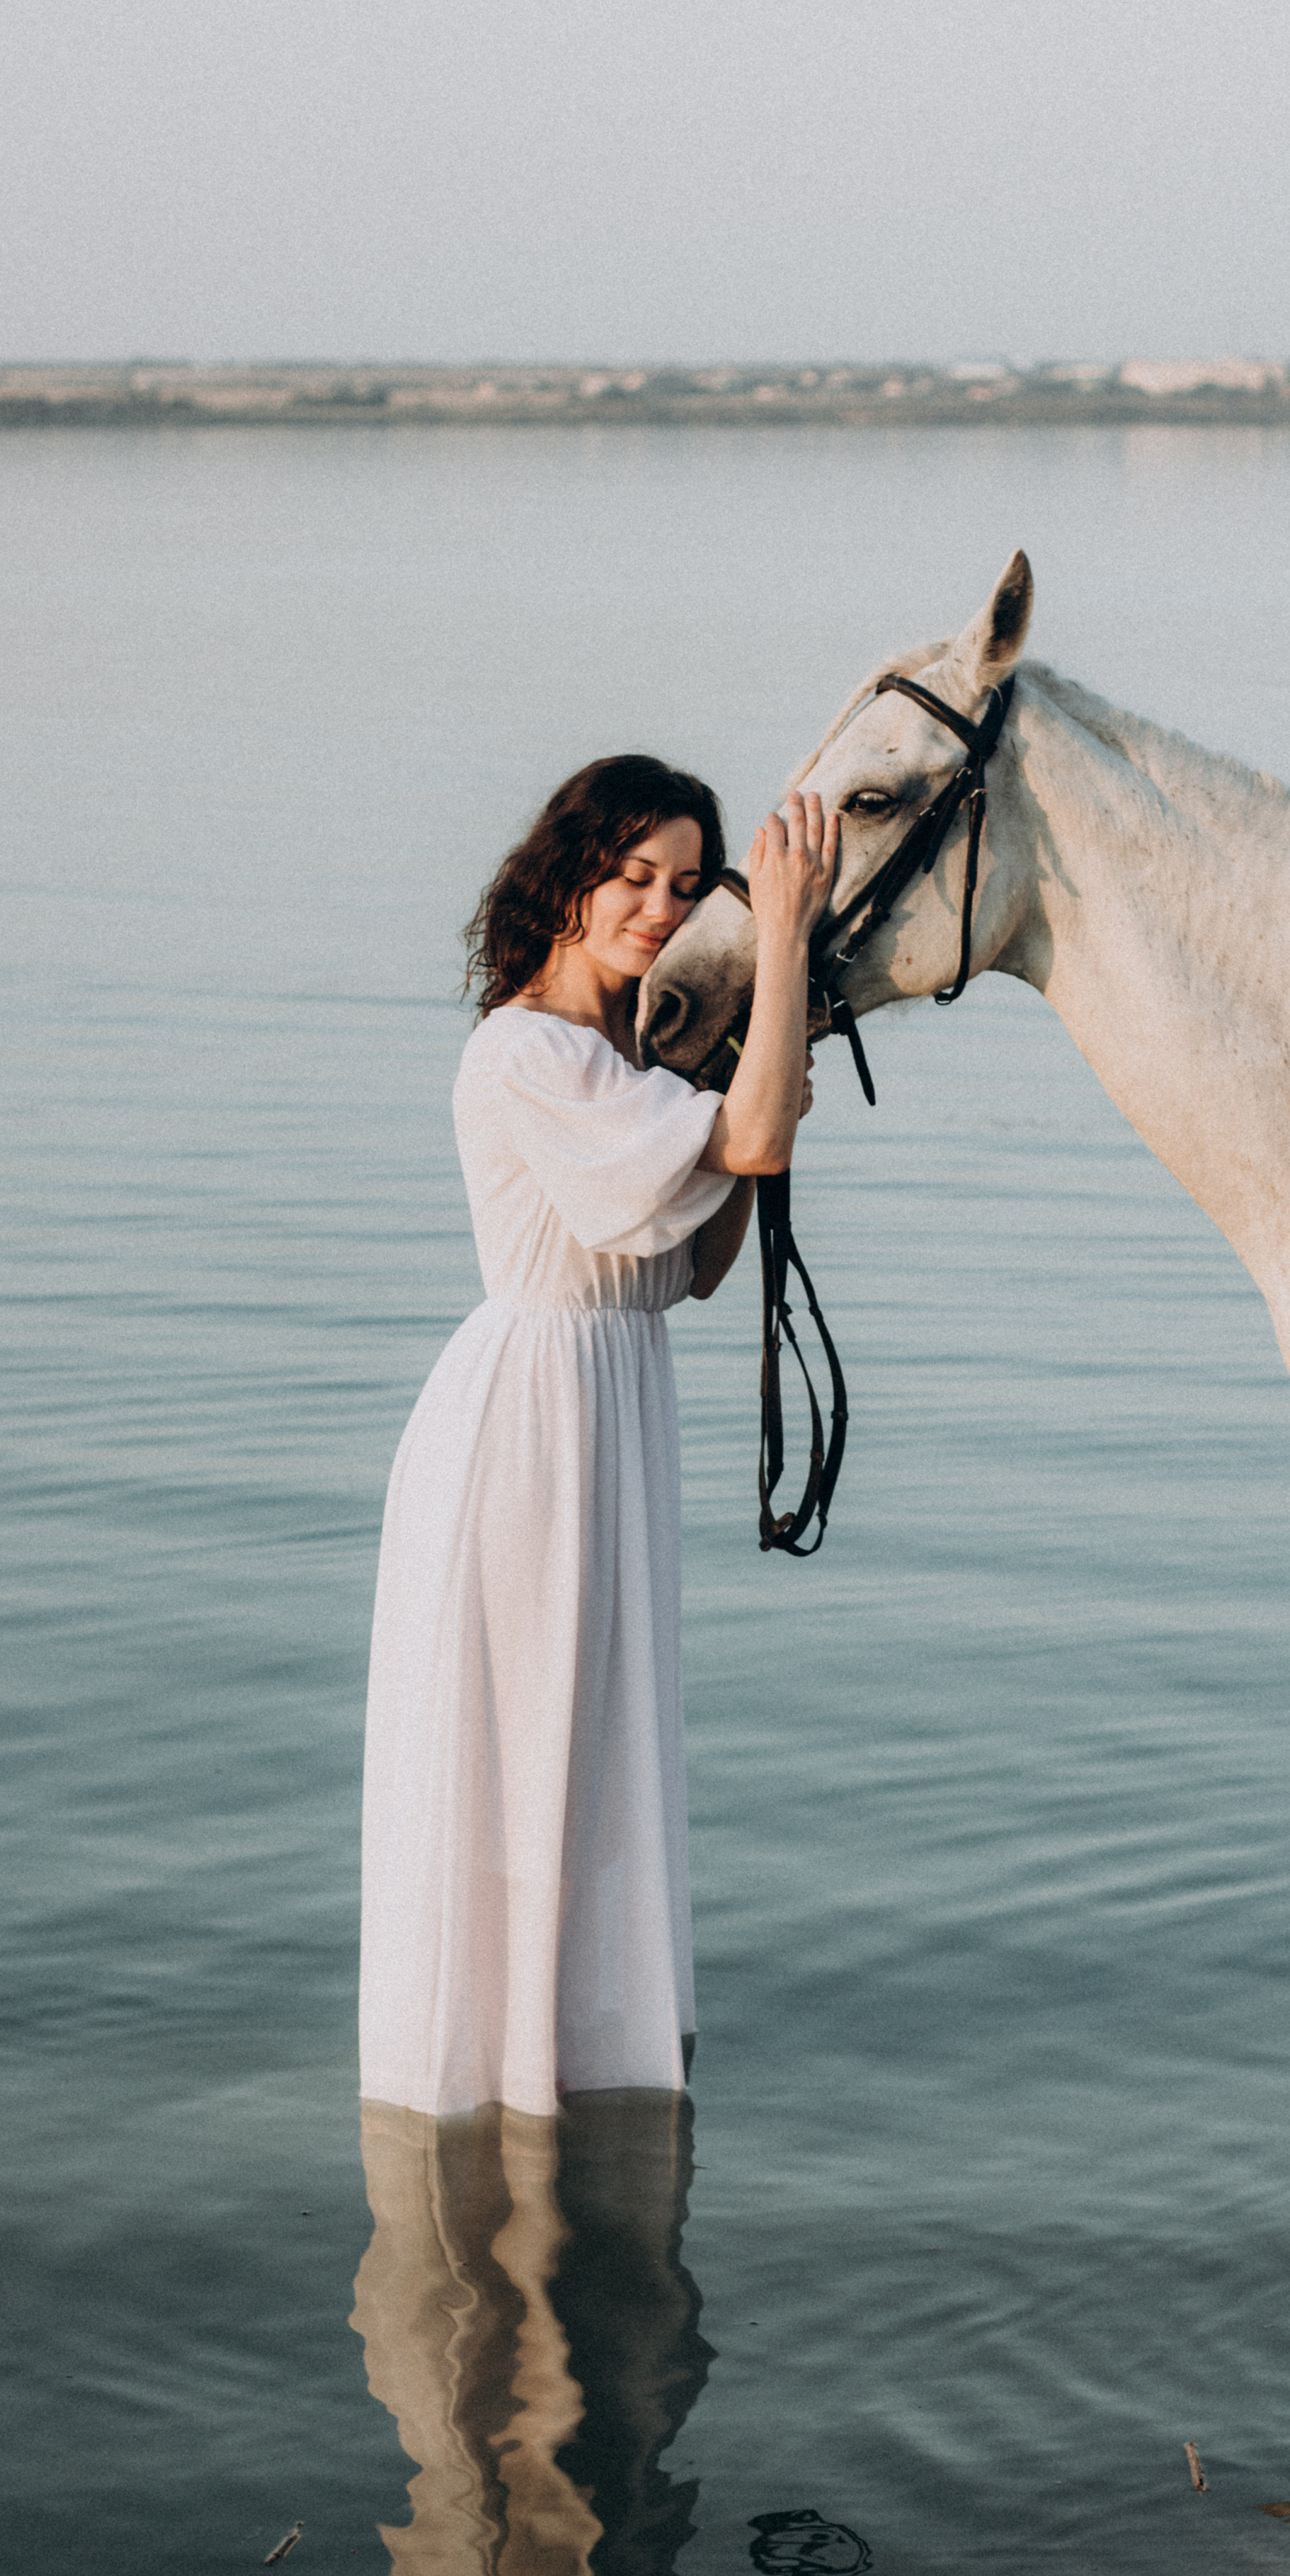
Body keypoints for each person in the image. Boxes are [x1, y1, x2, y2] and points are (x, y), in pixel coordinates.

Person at [360, 754, 838, 2117]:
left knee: (591, 1744)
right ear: (566, 879)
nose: (656, 909)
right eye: (632, 877)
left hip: (615, 1399)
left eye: (685, 889)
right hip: (529, 1423)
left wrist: (753, 1061)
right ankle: (501, 2070)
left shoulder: (627, 1063)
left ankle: (564, 2048)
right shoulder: (529, 1051)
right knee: (527, 1743)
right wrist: (786, 935)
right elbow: (746, 1146)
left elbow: (693, 1266)